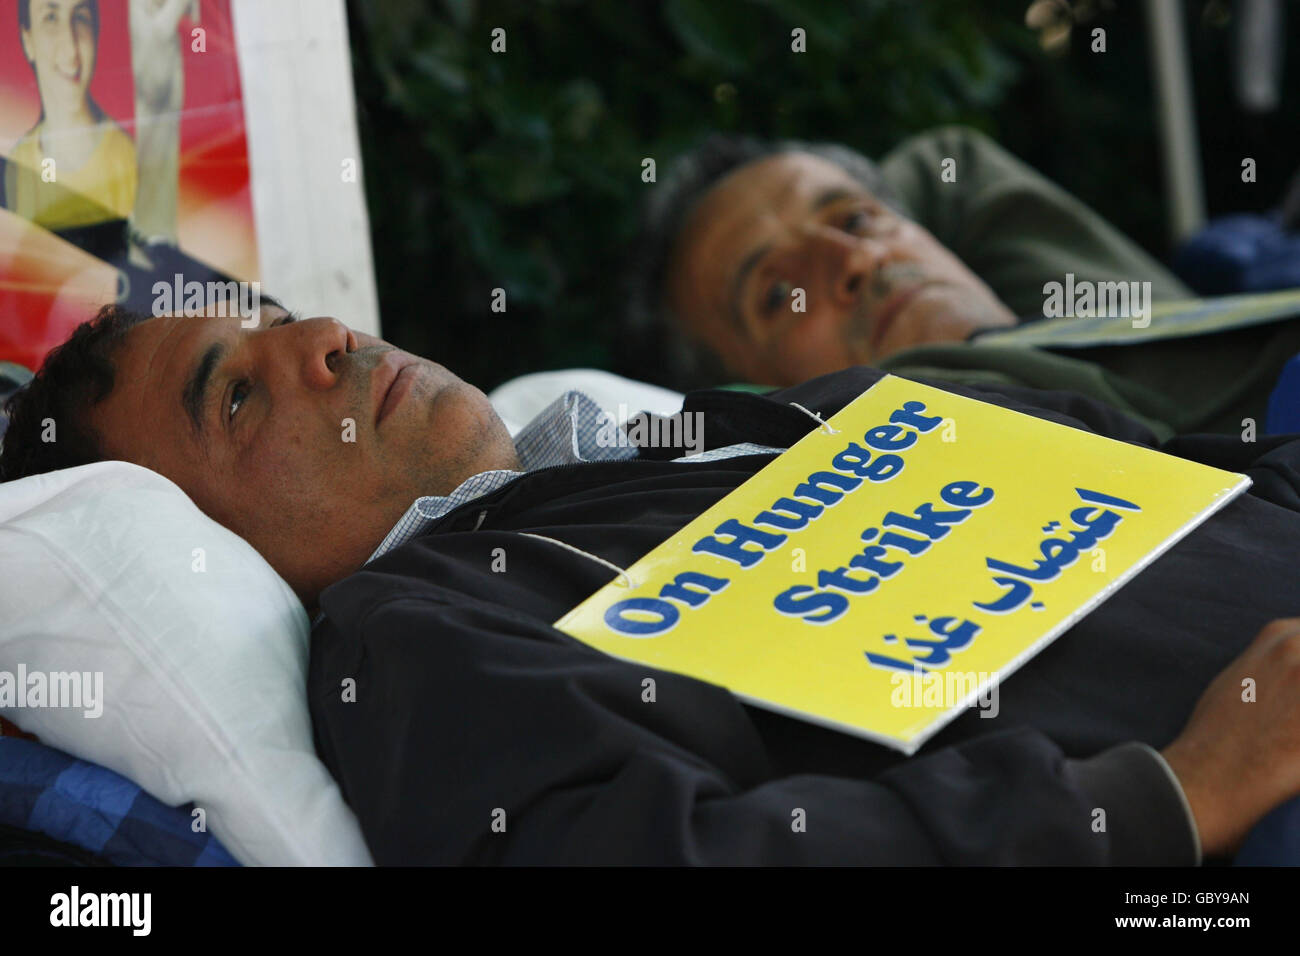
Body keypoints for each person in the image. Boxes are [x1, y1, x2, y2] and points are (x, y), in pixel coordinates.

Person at [3, 301, 1300, 865]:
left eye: (287, 320)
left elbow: (1184, 472)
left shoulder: (756, 425)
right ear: (210, 547)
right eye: (238, 392)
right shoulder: (421, 640)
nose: (326, 344)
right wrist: (1170, 797)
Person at [626, 126, 1300, 438]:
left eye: (857, 219)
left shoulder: (1092, 315)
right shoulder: (972, 436)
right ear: (753, 394)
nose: (856, 262)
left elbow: (955, 161)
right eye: (776, 293)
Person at [4, 0, 138, 231]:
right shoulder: (17, 167)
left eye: (81, 18)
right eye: (51, 18)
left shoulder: (130, 161)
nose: (71, 49)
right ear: (28, 42)